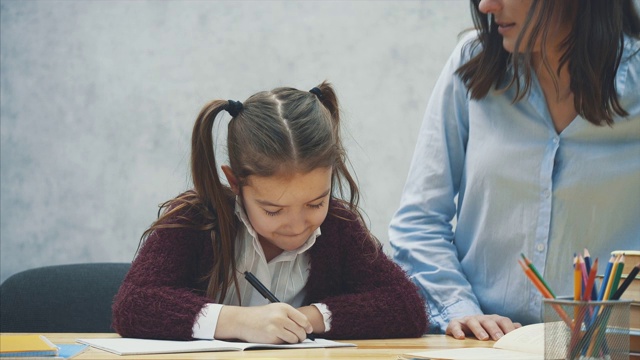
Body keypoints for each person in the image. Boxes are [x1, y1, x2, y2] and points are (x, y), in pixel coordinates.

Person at [389, 0, 640, 342]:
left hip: (605, 346)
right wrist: (460, 309)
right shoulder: (471, 64)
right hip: (481, 347)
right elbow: (418, 222)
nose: (487, 5)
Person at [112, 82, 428, 343]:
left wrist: (304, 320)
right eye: (273, 210)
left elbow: (406, 307)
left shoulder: (338, 226)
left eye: (315, 203)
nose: (296, 225)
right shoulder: (195, 220)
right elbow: (134, 305)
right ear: (235, 182)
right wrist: (238, 322)